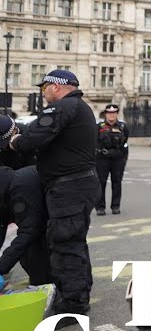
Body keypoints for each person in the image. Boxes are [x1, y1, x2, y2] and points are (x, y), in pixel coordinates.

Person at [1, 69, 98, 317]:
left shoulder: (63, 107)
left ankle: (73, 304)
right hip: (76, 185)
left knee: (65, 243)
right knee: (73, 241)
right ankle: (78, 292)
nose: (43, 93)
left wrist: (14, 142)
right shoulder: (78, 107)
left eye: (44, 88)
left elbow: (33, 138)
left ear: (56, 86)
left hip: (69, 186)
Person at [0, 115, 52, 291]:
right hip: (10, 187)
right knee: (25, 248)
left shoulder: (29, 140)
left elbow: (29, 230)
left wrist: (1, 266)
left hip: (34, 192)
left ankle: (47, 284)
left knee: (35, 246)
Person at [95, 104, 129, 216]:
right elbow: (94, 141)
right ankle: (100, 207)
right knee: (101, 183)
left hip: (118, 159)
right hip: (102, 159)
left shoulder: (122, 127)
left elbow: (125, 141)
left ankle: (115, 206)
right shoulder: (99, 126)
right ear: (106, 114)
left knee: (117, 182)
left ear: (117, 114)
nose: (111, 115)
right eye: (109, 113)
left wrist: (124, 158)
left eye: (114, 113)